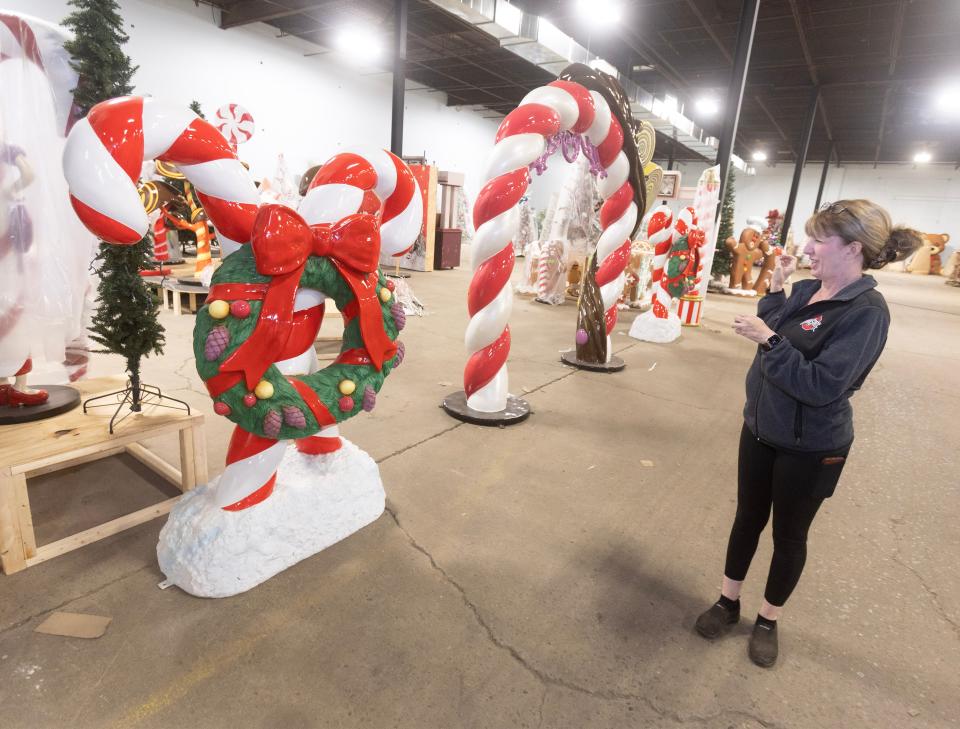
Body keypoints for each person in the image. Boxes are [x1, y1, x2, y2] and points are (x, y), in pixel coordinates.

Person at [695, 200, 921, 667]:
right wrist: (777, 289)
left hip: (812, 446)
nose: (807, 248)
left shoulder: (866, 312)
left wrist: (768, 340)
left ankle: (767, 620)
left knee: (789, 535)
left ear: (853, 248)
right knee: (747, 519)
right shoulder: (807, 289)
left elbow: (822, 385)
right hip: (760, 428)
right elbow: (775, 325)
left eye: (819, 239)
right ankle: (728, 602)